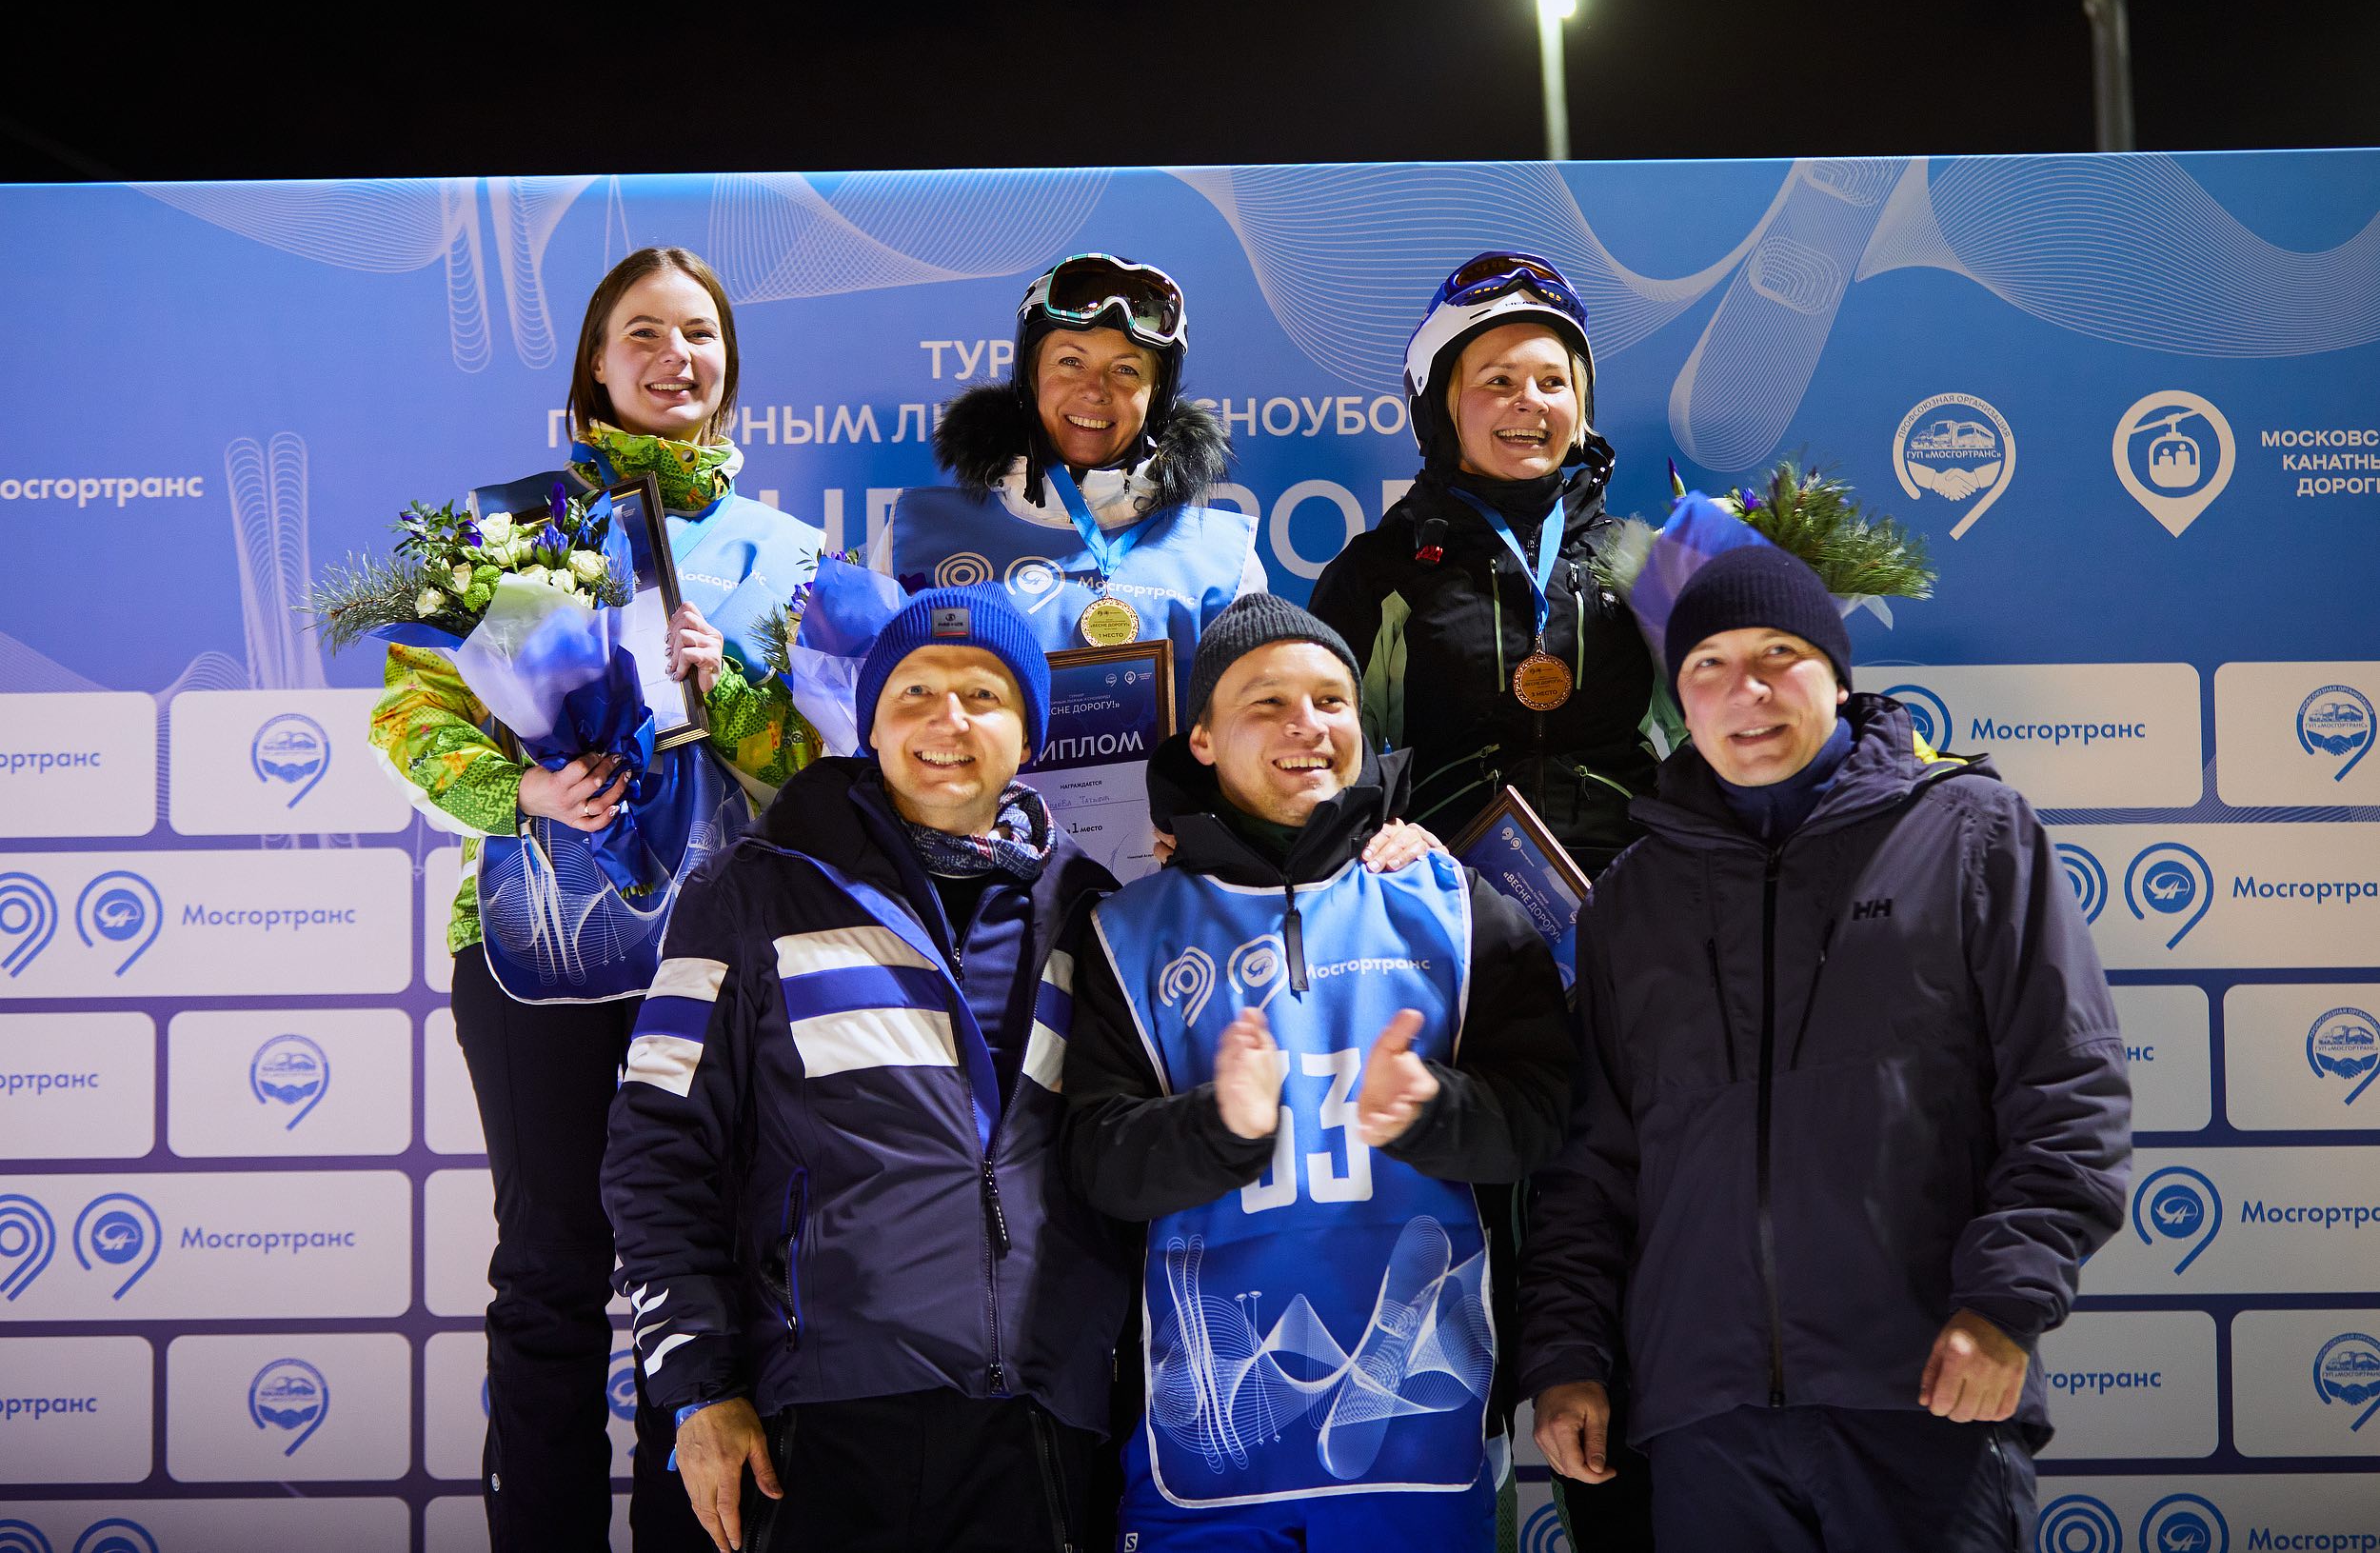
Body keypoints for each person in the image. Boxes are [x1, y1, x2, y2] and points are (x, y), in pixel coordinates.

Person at [1518, 544, 2132, 1549]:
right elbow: (1594, 1165)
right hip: (1704, 1420)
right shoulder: (1631, 898)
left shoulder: (1971, 834)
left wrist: (2005, 1303)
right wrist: (1567, 1354)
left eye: (1779, 653)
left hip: (1924, 1389)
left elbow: (2067, 1091)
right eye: (1708, 664)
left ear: (1838, 675)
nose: (1746, 689)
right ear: (1681, 700)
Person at [368, 247, 824, 1551]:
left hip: (716, 956)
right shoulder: (503, 532)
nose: (676, 357)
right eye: (645, 333)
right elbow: (409, 716)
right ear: (596, 362)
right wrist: (524, 791)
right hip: (536, 945)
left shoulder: (789, 554)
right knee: (551, 1266)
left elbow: (819, 762)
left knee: (709, 1270)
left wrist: (733, 687)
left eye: (700, 334)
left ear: (729, 363)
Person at [603, 587, 1135, 1553]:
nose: (947, 718)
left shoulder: (1093, 913)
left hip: (1039, 1420)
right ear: (872, 726)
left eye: (984, 694)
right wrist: (699, 1388)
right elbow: (656, 1146)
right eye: (914, 692)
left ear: (1029, 734)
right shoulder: (754, 886)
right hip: (821, 1417)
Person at [1063, 593, 1575, 1551]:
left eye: (1332, 700)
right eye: (1267, 702)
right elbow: (1095, 1162)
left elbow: (1547, 1117)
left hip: (1421, 1443)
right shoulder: (1122, 932)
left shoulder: (1454, 905)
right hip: (1202, 1459)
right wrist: (1218, 1123)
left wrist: (1431, 1108)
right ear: (1203, 739)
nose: (1308, 724)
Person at [1310, 251, 1657, 876]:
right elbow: (1316, 758)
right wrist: (1379, 836)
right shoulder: (1379, 571)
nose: (1530, 402)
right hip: (1451, 891)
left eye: (1553, 382)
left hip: (1634, 889)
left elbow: (1727, 738)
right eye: (1499, 381)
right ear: (1440, 406)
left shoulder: (1640, 558)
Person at [877, 251, 1259, 702]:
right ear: (1031, 377)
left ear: (1157, 398)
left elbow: (1251, 724)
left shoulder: (1220, 562)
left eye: (1126, 369)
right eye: (1070, 362)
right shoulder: (917, 536)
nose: (1095, 390)